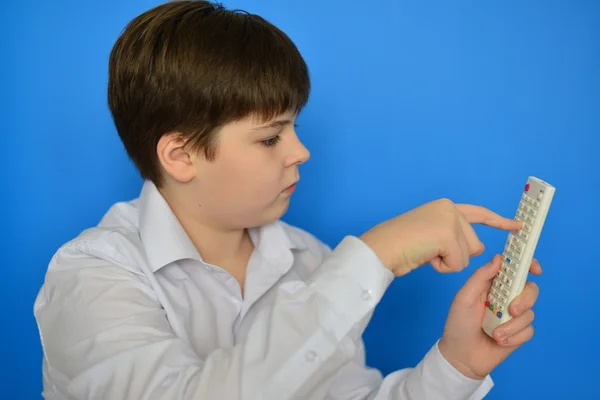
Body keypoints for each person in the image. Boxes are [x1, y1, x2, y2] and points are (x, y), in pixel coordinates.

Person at [33, 1, 541, 399]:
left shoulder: (311, 262)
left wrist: (456, 366)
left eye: (294, 125)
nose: (301, 150)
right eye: (270, 137)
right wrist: (373, 256)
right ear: (181, 155)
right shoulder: (92, 275)